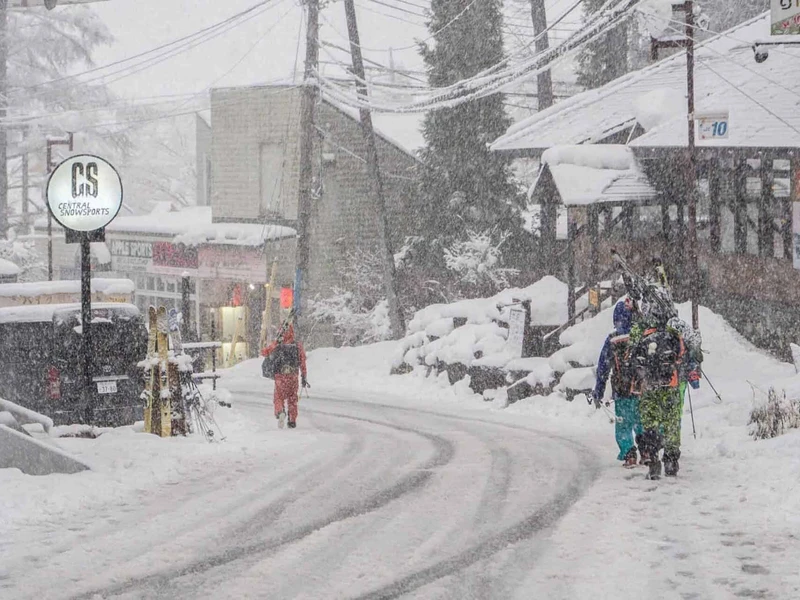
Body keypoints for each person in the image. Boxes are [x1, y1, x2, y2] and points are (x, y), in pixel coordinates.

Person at [592, 298, 643, 468]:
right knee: (642, 420)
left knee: (623, 423)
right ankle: (647, 450)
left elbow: (603, 367)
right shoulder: (642, 335)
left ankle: (629, 453)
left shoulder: (613, 339)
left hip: (622, 388)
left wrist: (598, 390)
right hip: (642, 386)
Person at [262, 324, 308, 429]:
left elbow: (264, 352)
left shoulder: (278, 344)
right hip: (293, 376)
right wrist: (304, 376)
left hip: (280, 377)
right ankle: (292, 420)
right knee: (292, 399)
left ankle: (280, 411)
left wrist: (275, 343)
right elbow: (302, 361)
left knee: (278, 397)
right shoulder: (297, 345)